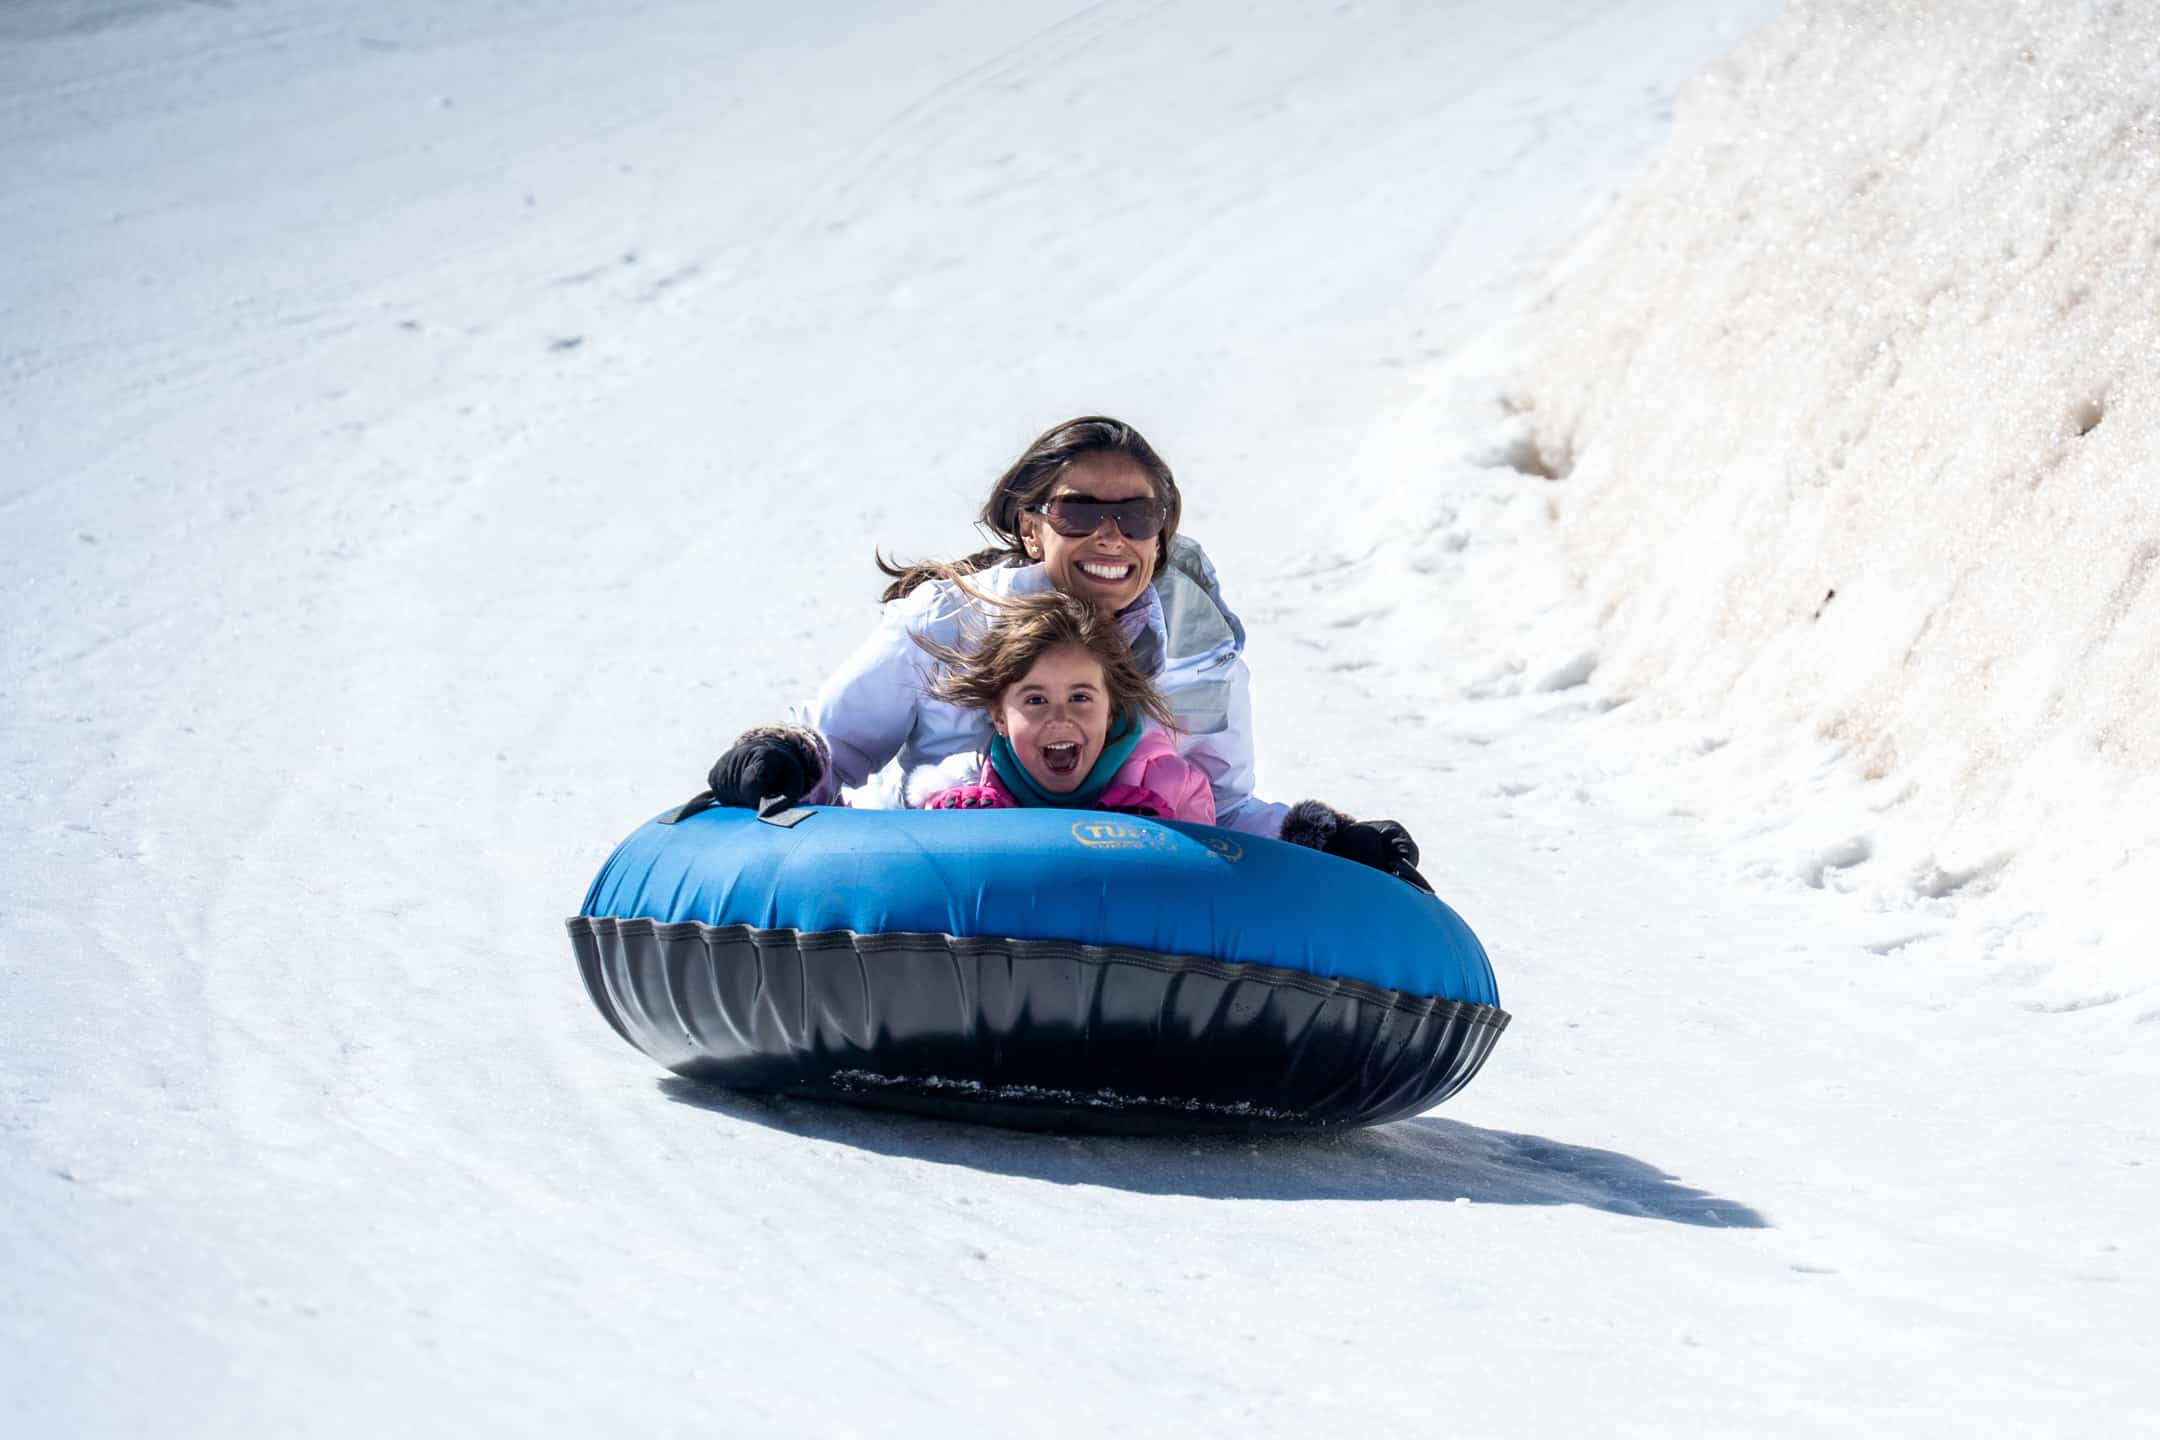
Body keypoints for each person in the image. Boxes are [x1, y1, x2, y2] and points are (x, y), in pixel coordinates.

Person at [703, 416, 1425, 884]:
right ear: (1031, 526)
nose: (1110, 536)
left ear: (1161, 532)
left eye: (1136, 515)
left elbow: (1218, 813)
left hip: (1112, 890)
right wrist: (786, 760)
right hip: (933, 868)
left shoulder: (1195, 652)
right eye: (1079, 511)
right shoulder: (952, 618)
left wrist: (1324, 841)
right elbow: (837, 745)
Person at [912, 584, 1214, 822]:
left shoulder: (1170, 787)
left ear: (1110, 710)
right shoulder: (957, 785)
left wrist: (1163, 843)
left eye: (1080, 697)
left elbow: (1209, 891)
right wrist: (952, 837)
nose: (1060, 717)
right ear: (1000, 717)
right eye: (1036, 700)